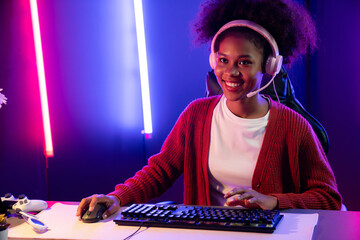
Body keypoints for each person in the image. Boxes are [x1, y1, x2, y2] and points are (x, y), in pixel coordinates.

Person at [76, 0, 342, 220]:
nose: (231, 72)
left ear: (269, 67)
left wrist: (273, 201)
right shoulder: (196, 115)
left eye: (245, 62)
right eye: (223, 60)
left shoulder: (293, 126)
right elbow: (160, 171)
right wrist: (116, 197)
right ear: (214, 60)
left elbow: (329, 198)